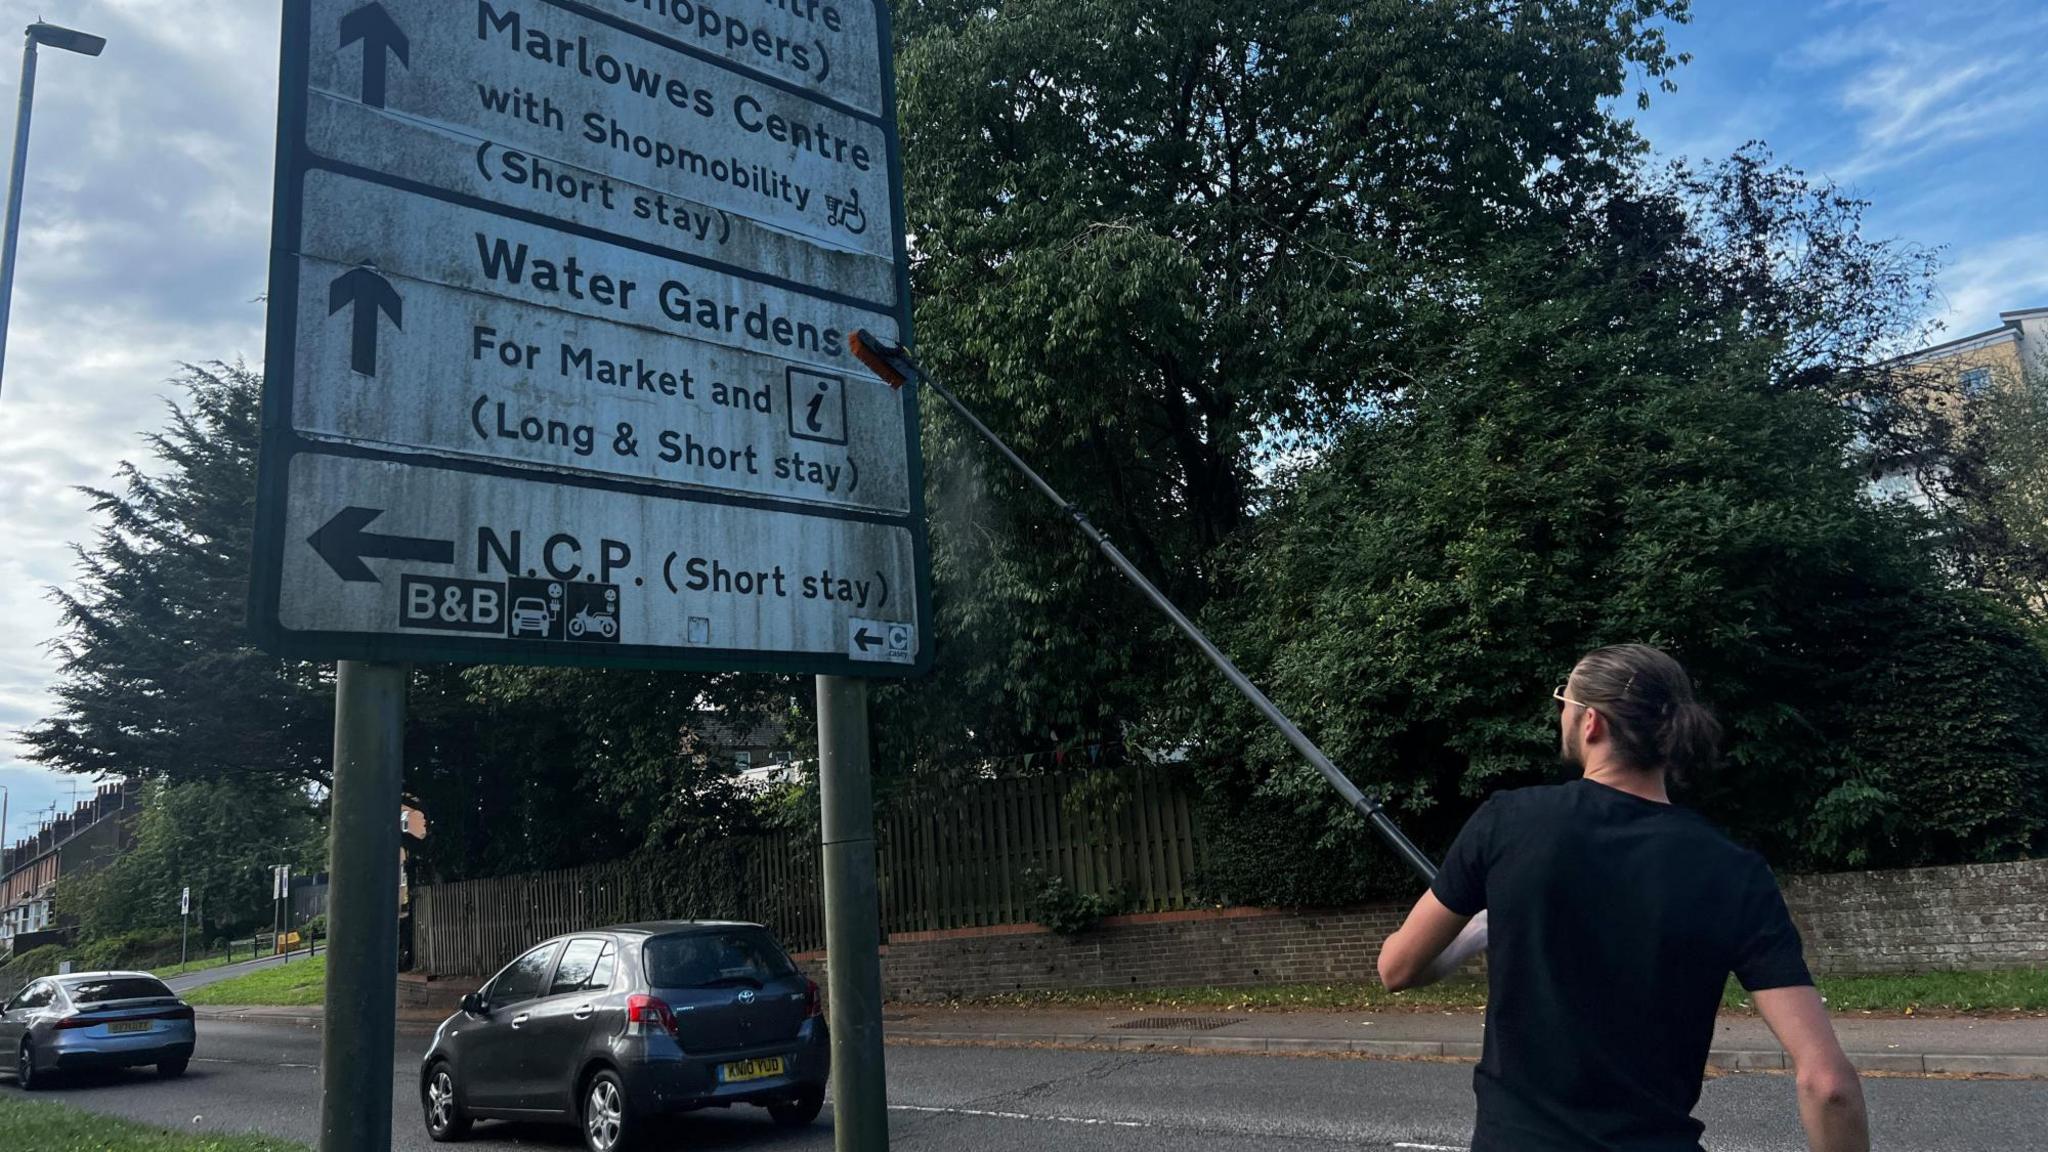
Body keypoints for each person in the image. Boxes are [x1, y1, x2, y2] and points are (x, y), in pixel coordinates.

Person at [1377, 644, 1869, 1152]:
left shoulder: (1509, 822)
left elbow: (1398, 968)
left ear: (1591, 722)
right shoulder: (1734, 870)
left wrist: (1475, 931)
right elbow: (1828, 1085)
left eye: (1562, 701)